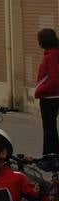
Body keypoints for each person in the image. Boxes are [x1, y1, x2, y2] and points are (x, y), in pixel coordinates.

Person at [36, 28, 59, 156]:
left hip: (50, 96)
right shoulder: (53, 53)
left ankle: (51, 154)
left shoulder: (51, 56)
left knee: (49, 127)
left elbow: (55, 78)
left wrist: (41, 90)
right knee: (51, 127)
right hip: (52, 95)